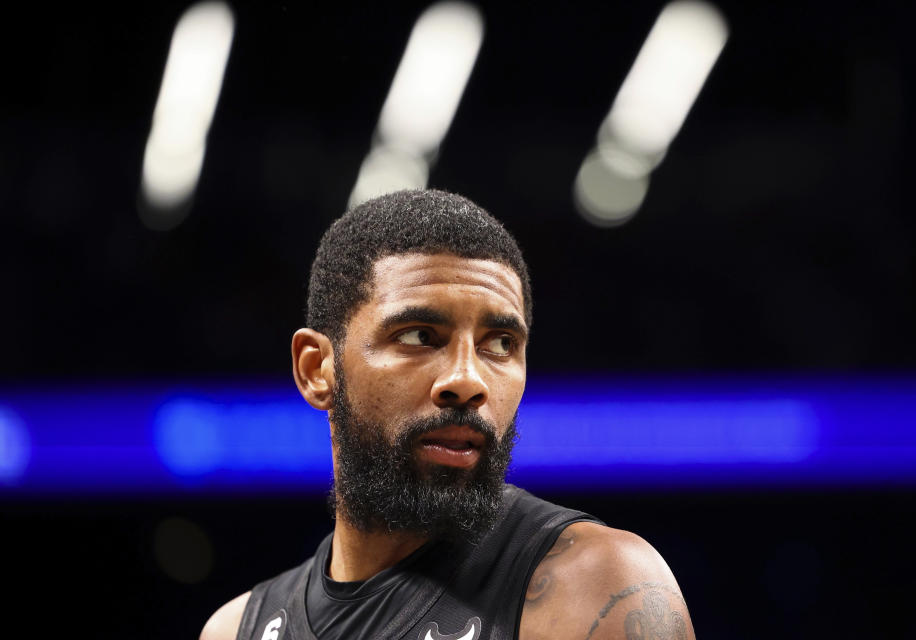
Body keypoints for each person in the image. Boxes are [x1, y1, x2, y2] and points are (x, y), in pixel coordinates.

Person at [200, 189, 694, 640]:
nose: (467, 380)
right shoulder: (233, 629)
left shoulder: (596, 584)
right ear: (317, 369)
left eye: (500, 344)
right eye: (419, 336)